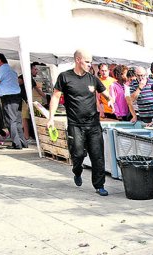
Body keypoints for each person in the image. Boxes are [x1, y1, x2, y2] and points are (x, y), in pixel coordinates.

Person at [48, 49, 112, 196]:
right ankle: (77, 170)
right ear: (78, 60)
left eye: (91, 62)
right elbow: (56, 97)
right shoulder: (65, 77)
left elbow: (105, 94)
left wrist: (111, 101)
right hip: (75, 124)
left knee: (97, 155)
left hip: (93, 124)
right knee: (77, 154)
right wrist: (51, 118)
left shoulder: (92, 79)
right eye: (87, 61)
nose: (90, 65)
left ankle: (99, 185)